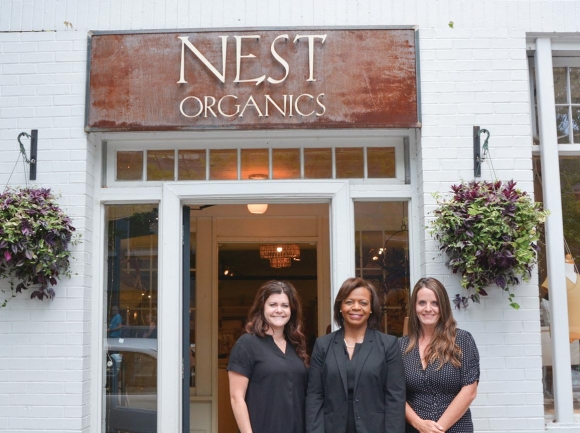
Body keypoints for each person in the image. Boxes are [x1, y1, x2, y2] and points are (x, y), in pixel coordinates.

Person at [306, 277, 406, 433]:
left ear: (371, 308)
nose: (356, 307)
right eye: (349, 302)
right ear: (340, 307)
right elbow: (315, 396)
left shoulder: (388, 345)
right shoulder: (322, 345)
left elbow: (395, 398)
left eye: (363, 303)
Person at [399, 278, 480, 433]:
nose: (428, 308)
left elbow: (469, 391)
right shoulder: (401, 346)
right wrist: (418, 424)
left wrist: (437, 429)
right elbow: (395, 393)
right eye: (422, 303)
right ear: (414, 307)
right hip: (413, 429)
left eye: (435, 303)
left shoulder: (462, 340)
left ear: (443, 306)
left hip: (455, 428)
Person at [228, 280, 309, 433]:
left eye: (285, 305)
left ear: (292, 310)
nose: (279, 310)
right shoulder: (247, 344)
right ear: (262, 308)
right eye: (272, 305)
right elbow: (236, 398)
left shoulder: (296, 345)